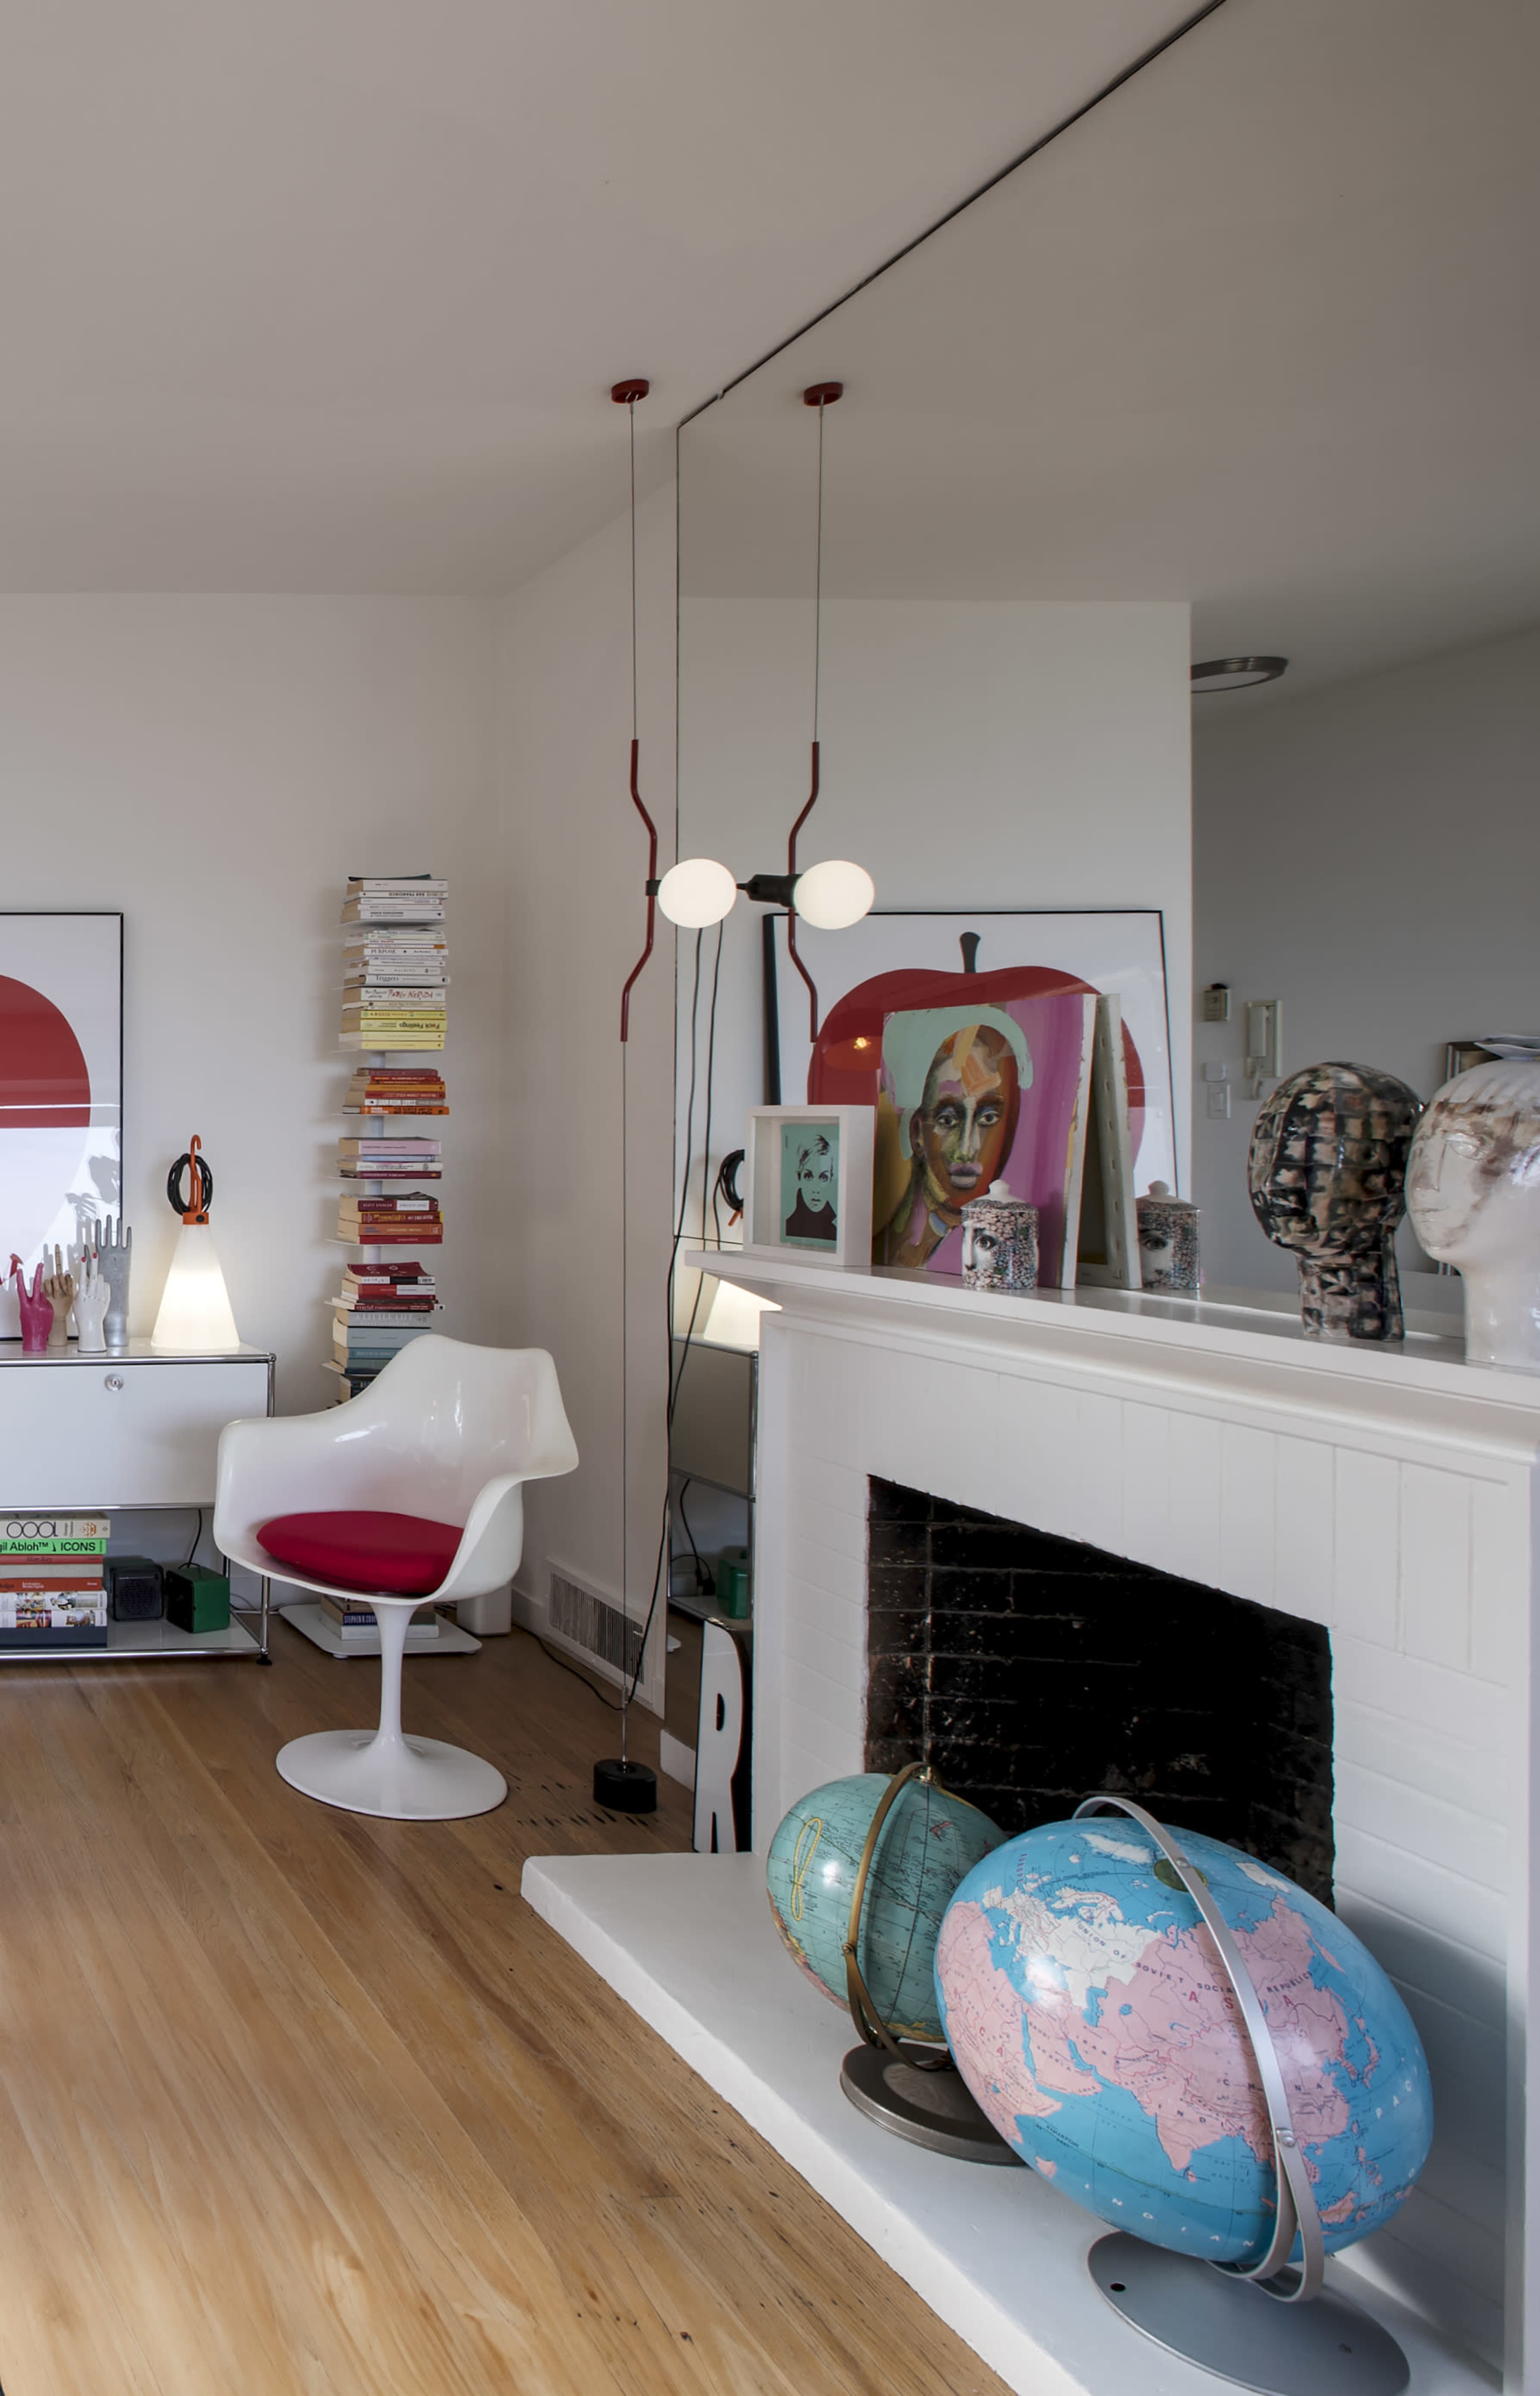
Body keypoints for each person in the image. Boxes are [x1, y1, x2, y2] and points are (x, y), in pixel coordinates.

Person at [875, 1007, 1030, 1270]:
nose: (967, 1149)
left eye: (988, 1118)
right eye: (948, 1120)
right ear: (917, 1134)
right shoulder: (882, 1253)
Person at [783, 1130, 837, 1244]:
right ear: (799, 1177)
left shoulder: (836, 1233)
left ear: (831, 1179)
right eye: (809, 1176)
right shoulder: (787, 1228)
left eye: (823, 1177)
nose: (816, 1189)